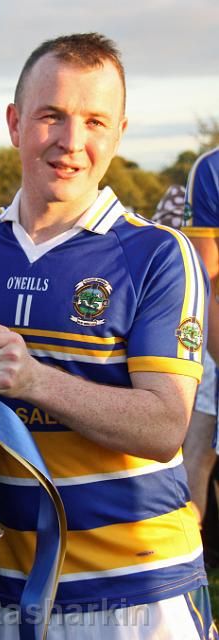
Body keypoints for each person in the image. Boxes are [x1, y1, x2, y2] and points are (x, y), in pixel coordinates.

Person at [0, 33, 216, 639]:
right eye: (52, 116)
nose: (71, 141)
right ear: (15, 123)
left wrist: (34, 379)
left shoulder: (157, 254)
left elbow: (164, 426)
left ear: (119, 133)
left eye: (95, 121)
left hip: (139, 592)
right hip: (11, 589)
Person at [182, 147, 219, 568]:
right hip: (215, 349)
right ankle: (188, 565)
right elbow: (205, 281)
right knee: (199, 455)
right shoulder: (212, 168)